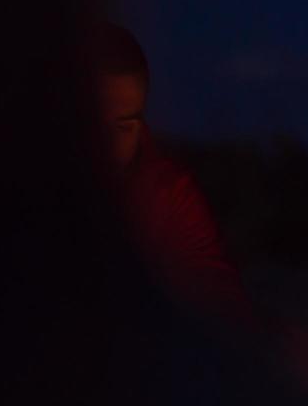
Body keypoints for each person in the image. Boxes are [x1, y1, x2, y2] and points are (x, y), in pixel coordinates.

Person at [93, 21, 255, 328]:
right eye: (91, 122)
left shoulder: (167, 195)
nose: (104, 146)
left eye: (123, 127)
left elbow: (226, 311)